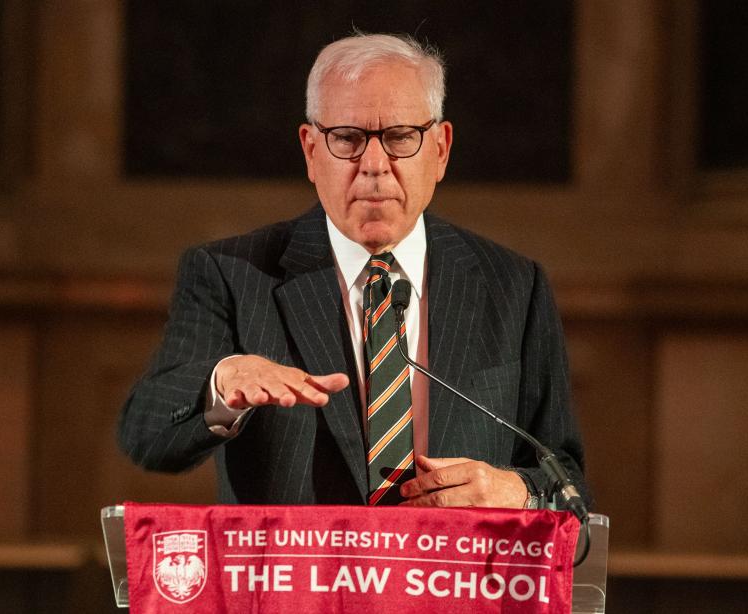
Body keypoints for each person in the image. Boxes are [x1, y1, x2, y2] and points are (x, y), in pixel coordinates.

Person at [118, 32, 588, 509]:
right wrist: (220, 385)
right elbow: (146, 433)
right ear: (310, 150)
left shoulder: (513, 286)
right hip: (295, 582)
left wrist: (522, 492)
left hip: (452, 581)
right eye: (347, 139)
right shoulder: (233, 275)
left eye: (401, 137)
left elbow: (567, 483)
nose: (375, 166)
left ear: (441, 149)